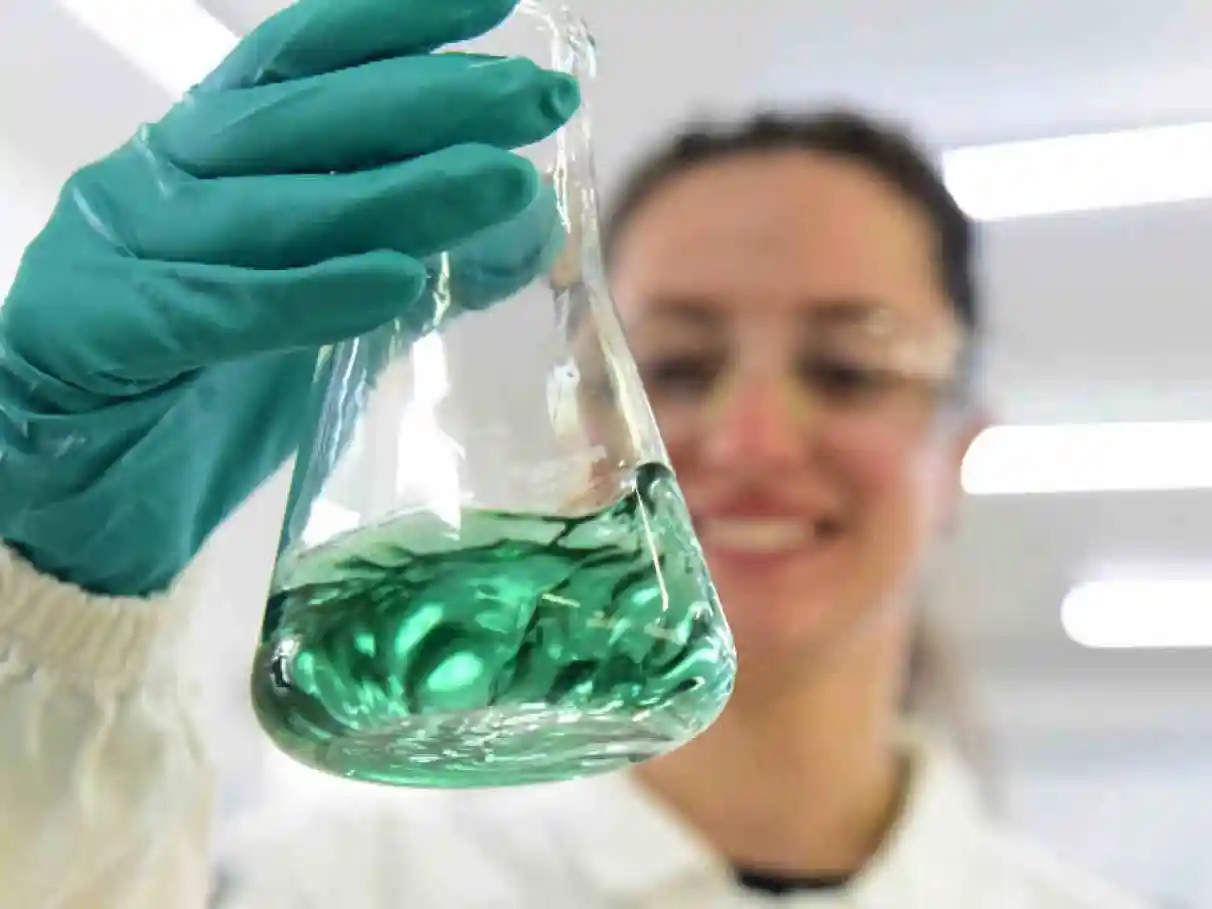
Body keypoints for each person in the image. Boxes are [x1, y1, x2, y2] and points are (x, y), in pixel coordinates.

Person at [0, 0, 1148, 906]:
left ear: (962, 449)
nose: (752, 439)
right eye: (680, 366)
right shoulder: (332, 885)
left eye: (849, 369)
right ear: (595, 412)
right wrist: (58, 616)